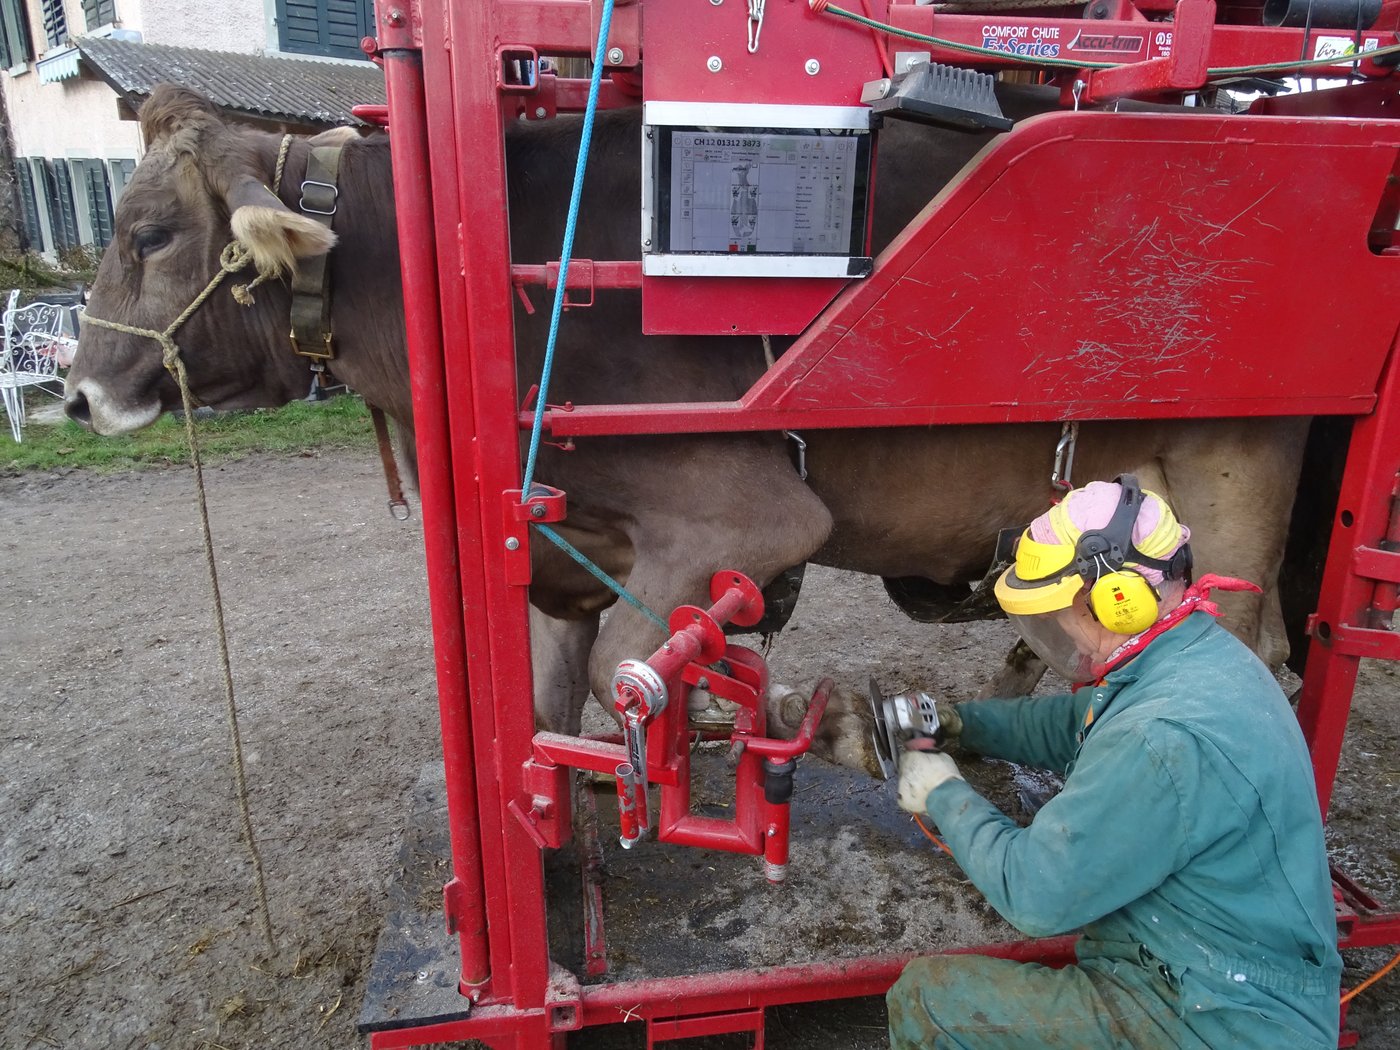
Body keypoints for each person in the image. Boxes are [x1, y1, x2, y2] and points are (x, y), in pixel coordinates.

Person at [887, 475, 1341, 1050]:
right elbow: (1074, 723)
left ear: (1113, 603)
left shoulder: (1161, 738)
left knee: (932, 1000)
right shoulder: (1198, 655)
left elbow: (1037, 894)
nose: (1065, 639)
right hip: (1223, 974)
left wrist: (943, 793)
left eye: (1060, 616)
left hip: (1213, 1017)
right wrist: (960, 722)